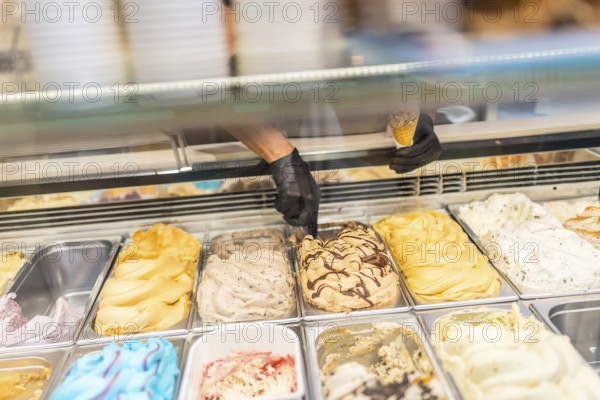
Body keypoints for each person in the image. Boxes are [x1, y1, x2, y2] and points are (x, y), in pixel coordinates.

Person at [228, 113, 441, 237]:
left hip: (374, 154)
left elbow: (425, 58)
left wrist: (425, 117)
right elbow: (210, 89)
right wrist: (281, 158)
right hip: (266, 140)